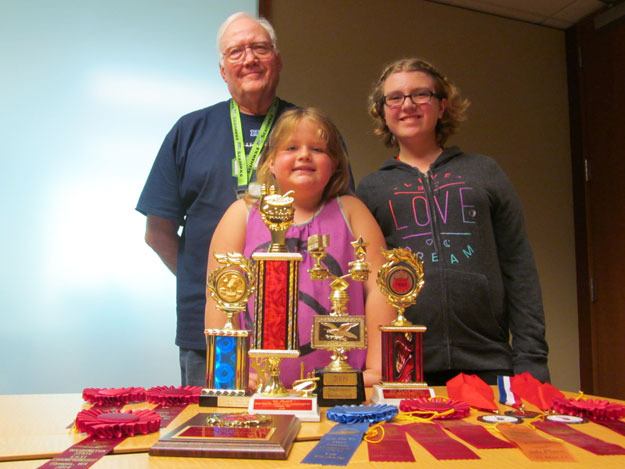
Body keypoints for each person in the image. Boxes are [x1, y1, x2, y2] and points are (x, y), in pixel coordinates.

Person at [356, 58, 550, 385]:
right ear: (383, 111)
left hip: (490, 361)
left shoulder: (485, 172)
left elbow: (519, 264)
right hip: (406, 365)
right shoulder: (370, 190)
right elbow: (367, 284)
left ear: (442, 106)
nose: (408, 105)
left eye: (421, 94)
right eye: (395, 97)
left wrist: (531, 360)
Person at [136, 12, 293, 386]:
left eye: (259, 47)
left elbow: (338, 221)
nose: (249, 58)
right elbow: (157, 232)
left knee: (299, 434)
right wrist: (216, 287)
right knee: (209, 434)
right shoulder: (189, 130)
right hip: (207, 326)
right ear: (223, 71)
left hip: (294, 324)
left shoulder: (309, 130)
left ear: (278, 60)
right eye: (236, 51)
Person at [205, 108, 395, 387]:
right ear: (270, 162)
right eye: (291, 147)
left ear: (335, 164)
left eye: (317, 149)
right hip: (257, 386)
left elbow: (380, 287)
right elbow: (220, 294)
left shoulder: (352, 211)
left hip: (341, 384)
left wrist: (377, 370)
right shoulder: (241, 214)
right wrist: (232, 371)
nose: (304, 155)